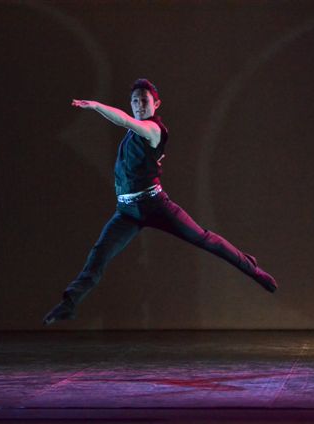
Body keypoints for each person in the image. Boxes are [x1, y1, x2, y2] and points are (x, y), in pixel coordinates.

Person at [43, 78, 277, 326]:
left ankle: (251, 268)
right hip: (127, 212)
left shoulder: (154, 130)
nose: (139, 105)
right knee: (99, 254)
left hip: (155, 205)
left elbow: (125, 120)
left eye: (144, 101)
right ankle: (69, 304)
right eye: (135, 101)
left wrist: (95, 106)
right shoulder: (133, 134)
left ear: (156, 104)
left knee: (203, 239)